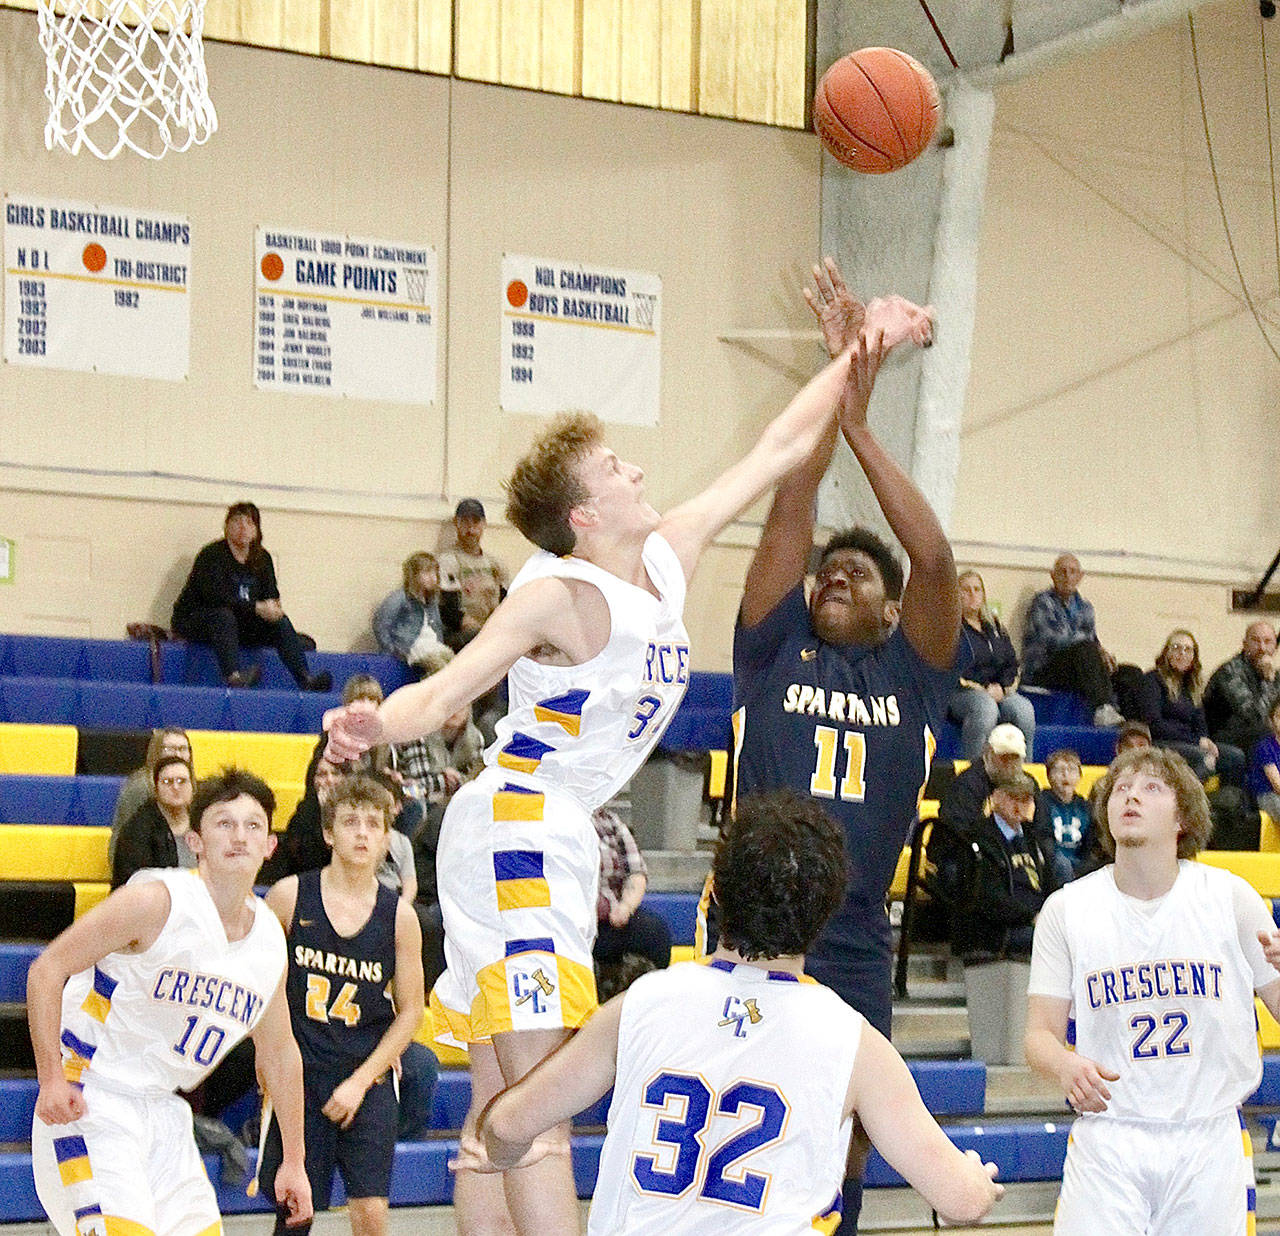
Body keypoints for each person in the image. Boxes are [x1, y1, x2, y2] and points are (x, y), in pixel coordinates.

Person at [323, 315, 893, 1236]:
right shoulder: (559, 592)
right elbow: (450, 692)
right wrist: (373, 723)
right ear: (585, 516)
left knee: (499, 1103)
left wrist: (861, 348)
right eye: (614, 468)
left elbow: (783, 446)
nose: (635, 470)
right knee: (543, 1105)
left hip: (546, 829)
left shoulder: (665, 560)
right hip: (520, 824)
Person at [457, 790, 1004, 1232]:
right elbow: (958, 1198)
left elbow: (507, 1121)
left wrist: (502, 1152)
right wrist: (979, 1183)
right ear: (826, 911)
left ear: (713, 893)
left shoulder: (641, 1003)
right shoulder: (854, 1041)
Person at [701, 260, 945, 1231]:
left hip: (848, 938)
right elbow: (789, 517)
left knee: (833, 1154)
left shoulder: (911, 671)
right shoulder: (771, 648)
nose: (831, 577)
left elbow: (932, 558)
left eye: (854, 573)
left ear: (890, 610)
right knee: (731, 1131)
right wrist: (834, 394)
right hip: (743, 926)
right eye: (825, 573)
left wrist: (859, 426)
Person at [26, 768, 312, 1236]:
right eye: (224, 823)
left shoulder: (268, 942)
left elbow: (280, 1055)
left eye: (253, 825)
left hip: (165, 1111)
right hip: (92, 1097)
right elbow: (45, 971)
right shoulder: (154, 902)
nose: (240, 836)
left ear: (270, 846)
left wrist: (294, 1161)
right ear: (195, 841)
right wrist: (51, 1079)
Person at [1025, 746, 1280, 1235]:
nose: (1131, 797)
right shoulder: (1067, 910)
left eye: (1151, 788)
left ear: (1182, 816)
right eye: (1121, 788)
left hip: (1208, 1138)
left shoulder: (1230, 898)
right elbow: (1038, 1037)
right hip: (1109, 1138)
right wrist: (1065, 1064)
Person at [260, 775, 424, 1236]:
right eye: (351, 822)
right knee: (295, 1212)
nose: (363, 833)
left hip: (366, 1076)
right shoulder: (289, 897)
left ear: (388, 838)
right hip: (301, 1073)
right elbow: (261, 986)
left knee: (371, 1215)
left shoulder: (401, 917)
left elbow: (411, 1011)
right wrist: (266, 1054)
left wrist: (360, 1081)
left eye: (374, 824)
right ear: (329, 833)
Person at [170, 501, 333, 691]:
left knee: (280, 622)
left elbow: (271, 595)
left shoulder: (262, 558)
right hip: (199, 620)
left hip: (238, 624)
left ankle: (305, 678)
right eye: (237, 521)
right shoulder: (211, 556)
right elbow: (216, 598)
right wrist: (256, 607)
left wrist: (273, 609)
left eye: (249, 523)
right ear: (226, 526)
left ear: (256, 530)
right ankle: (233, 677)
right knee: (224, 616)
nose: (243, 528)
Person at [932, 772, 1055, 965]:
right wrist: (1032, 916)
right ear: (996, 797)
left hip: (1034, 921)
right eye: (1013, 797)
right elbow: (989, 900)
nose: (1019, 805)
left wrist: (1050, 915)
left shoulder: (1033, 839)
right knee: (1058, 941)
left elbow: (1049, 884)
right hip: (997, 931)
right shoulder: (977, 840)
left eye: (1026, 799)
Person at [1021, 553, 1122, 727]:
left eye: (1073, 572)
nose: (1068, 577)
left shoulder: (1085, 607)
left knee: (1129, 673)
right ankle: (1102, 709)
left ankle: (1136, 729)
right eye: (1062, 572)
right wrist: (1092, 648)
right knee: (1086, 650)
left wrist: (1104, 654)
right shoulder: (1042, 602)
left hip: (1076, 667)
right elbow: (1051, 640)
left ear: (1080, 577)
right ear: (1053, 575)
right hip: (1044, 670)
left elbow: (1093, 641)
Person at [1136, 629, 1244, 784]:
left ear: (1194, 657)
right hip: (1162, 742)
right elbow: (1154, 724)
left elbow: (1200, 723)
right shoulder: (1152, 680)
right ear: (1166, 653)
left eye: (1188, 650)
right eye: (1176, 648)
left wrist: (1205, 740)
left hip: (1190, 743)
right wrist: (1196, 742)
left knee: (1235, 756)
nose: (1182, 653)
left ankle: (1228, 803)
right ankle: (1184, 801)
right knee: (1203, 758)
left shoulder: (1192, 687)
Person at [949, 569, 1036, 760]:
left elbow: (1011, 663)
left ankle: (1025, 772)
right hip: (960, 692)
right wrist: (984, 689)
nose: (973, 594)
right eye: (966, 590)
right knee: (985, 708)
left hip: (998, 691)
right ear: (955, 594)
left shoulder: (995, 627)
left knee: (1024, 710)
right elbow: (953, 667)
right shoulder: (949, 628)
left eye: (977, 589)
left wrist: (1003, 689)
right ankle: (974, 770)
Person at [592, 806, 671, 977]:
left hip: (614, 917)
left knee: (655, 933)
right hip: (576, 919)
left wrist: (626, 907)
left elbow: (636, 872)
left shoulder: (610, 821)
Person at [938, 723, 1050, 844]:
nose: (1009, 763)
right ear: (988, 753)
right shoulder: (966, 785)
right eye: (1004, 757)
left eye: (1014, 757)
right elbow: (956, 831)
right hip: (975, 853)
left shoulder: (1029, 784)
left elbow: (1043, 830)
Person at [108, 726, 192, 865]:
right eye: (169, 749)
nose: (177, 754)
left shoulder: (196, 787)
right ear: (156, 751)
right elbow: (125, 842)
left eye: (182, 749)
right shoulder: (139, 788)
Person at [111, 753, 196, 888]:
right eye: (168, 782)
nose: (176, 787)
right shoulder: (137, 830)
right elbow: (132, 884)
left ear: (193, 786)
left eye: (182, 781)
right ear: (156, 789)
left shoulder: (203, 823)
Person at [436, 499, 510, 648]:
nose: (470, 528)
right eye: (464, 522)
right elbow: (448, 611)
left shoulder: (495, 563)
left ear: (484, 524)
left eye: (475, 522)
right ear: (456, 523)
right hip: (460, 632)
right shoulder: (448, 560)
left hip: (491, 627)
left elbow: (506, 602)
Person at [372, 551, 458, 672]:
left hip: (431, 644)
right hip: (413, 646)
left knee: (455, 663)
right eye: (427, 572)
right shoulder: (401, 597)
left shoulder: (431, 600)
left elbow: (437, 625)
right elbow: (380, 623)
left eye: (434, 572)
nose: (432, 577)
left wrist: (439, 641)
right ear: (414, 575)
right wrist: (390, 649)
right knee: (438, 667)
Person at [1205, 621, 1280, 757]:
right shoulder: (1230, 671)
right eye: (1256, 641)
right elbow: (1254, 717)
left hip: (1255, 734)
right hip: (1222, 736)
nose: (1262, 648)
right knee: (1266, 733)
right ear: (1245, 644)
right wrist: (1268, 681)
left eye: (1268, 641)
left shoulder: (1275, 675)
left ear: (1275, 646)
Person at [1041, 748, 1093, 884]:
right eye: (1059, 770)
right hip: (1051, 864)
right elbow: (1044, 842)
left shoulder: (1086, 806)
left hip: (1079, 864)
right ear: (1049, 776)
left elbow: (1090, 844)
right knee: (1062, 864)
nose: (1066, 775)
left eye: (1072, 770)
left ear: (1080, 776)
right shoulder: (1041, 801)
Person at [1248, 697, 1280, 823]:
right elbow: (1277, 785)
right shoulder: (1265, 747)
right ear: (1271, 721)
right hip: (1268, 795)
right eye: (1279, 717)